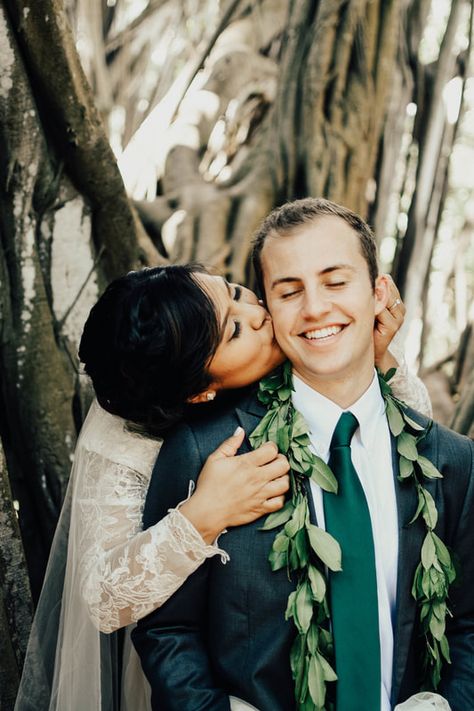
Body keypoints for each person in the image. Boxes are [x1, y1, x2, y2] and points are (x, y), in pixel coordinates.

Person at [16, 261, 428, 711]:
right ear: (198, 391)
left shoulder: (296, 340)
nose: (256, 312)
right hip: (195, 672)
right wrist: (204, 514)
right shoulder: (124, 439)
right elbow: (104, 598)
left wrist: (379, 360)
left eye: (234, 291)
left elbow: (419, 452)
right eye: (234, 330)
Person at [132, 199, 473, 711]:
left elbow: (468, 624)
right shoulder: (210, 453)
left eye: (336, 282)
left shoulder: (452, 461)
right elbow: (166, 628)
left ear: (379, 293)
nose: (315, 308)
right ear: (268, 309)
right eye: (289, 292)